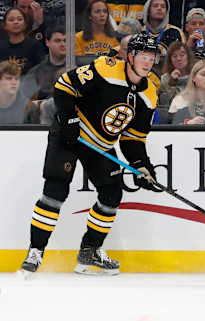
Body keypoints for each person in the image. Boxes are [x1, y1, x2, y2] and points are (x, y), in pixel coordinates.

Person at [20, 33, 160, 276]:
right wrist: (70, 119)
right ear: (130, 56)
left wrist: (142, 165)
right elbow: (64, 84)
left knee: (112, 192)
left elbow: (133, 138)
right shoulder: (105, 69)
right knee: (55, 190)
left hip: (100, 143)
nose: (148, 62)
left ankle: (90, 251)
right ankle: (36, 251)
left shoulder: (149, 95)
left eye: (152, 57)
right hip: (70, 133)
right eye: (143, 56)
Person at [22, 25, 66, 101]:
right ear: (47, 42)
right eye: (57, 41)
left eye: (65, 40)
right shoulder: (36, 72)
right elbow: (24, 100)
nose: (63, 44)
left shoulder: (80, 67)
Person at [142, 0, 186, 70]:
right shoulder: (139, 32)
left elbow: (183, 60)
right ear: (148, 10)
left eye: (163, 6)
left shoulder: (176, 32)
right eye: (155, 6)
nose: (159, 8)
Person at [0, 7, 44, 74]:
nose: (16, 22)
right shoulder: (1, 46)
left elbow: (41, 70)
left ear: (25, 24)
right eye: (11, 20)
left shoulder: (35, 46)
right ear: (4, 25)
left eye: (19, 19)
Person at [75, 0, 119, 66]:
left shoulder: (115, 37)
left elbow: (117, 61)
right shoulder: (78, 38)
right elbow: (78, 62)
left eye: (105, 11)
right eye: (97, 12)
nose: (102, 15)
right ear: (89, 16)